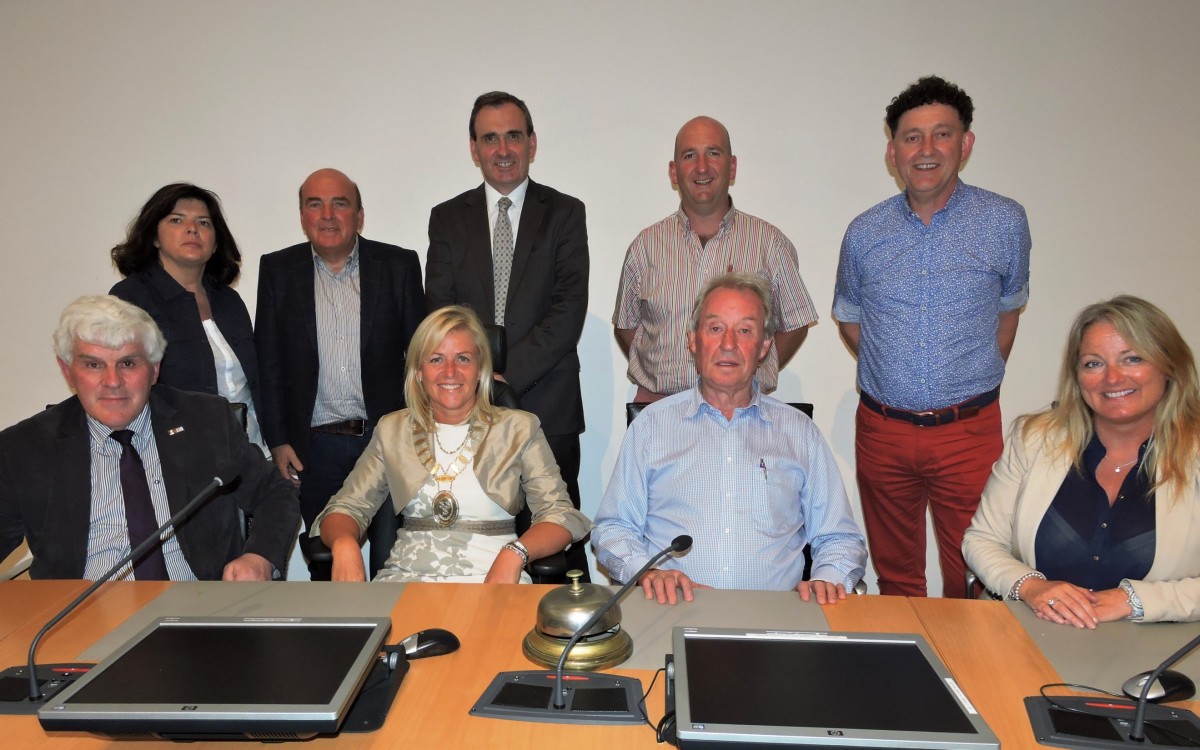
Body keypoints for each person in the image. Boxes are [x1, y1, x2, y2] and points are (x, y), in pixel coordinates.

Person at [833, 75, 1032, 598]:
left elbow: (1008, 312)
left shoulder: (1005, 222)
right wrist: (896, 373)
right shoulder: (863, 232)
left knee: (973, 575)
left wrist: (963, 377)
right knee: (896, 579)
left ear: (965, 144)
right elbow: (851, 320)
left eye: (941, 134)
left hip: (969, 431)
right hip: (883, 431)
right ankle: (906, 679)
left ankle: (970, 679)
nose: (925, 150)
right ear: (892, 151)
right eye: (911, 136)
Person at [593, 273, 866, 605]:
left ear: (764, 347)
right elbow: (613, 529)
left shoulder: (799, 433)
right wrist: (647, 573)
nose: (728, 344)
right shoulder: (651, 427)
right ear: (693, 340)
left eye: (745, 331)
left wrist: (827, 579)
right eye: (715, 328)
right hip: (670, 612)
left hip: (775, 622)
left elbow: (840, 537)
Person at [0, 296, 299, 581]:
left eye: (128, 363)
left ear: (154, 369)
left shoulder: (206, 421)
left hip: (196, 608)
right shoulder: (26, 447)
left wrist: (259, 556)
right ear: (68, 371)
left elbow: (275, 494)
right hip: (80, 616)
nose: (113, 382)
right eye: (94, 365)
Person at [425, 91, 591, 578]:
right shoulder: (447, 218)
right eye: (490, 138)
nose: (503, 149)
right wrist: (474, 381)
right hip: (465, 411)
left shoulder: (564, 212)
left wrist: (501, 376)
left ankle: (566, 642)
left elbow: (568, 311)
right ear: (473, 148)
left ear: (532, 143)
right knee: (476, 538)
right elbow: (441, 311)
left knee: (558, 547)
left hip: (548, 402)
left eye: (513, 136)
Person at [964, 296, 1200, 626]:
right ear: (1077, 377)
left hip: (1156, 649)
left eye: (1132, 359)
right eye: (1093, 363)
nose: (1113, 378)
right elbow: (982, 540)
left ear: (1169, 366)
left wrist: (1134, 600)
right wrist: (1030, 587)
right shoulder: (1034, 438)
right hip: (1031, 632)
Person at [312, 306, 590, 583]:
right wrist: (344, 545)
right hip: (405, 583)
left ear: (481, 369)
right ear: (419, 372)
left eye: (463, 359)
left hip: (494, 583)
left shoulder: (519, 428)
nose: (450, 372)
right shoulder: (392, 430)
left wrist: (515, 553)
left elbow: (562, 515)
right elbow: (345, 508)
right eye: (436, 359)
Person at [255, 168, 425, 579]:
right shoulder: (279, 270)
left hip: (387, 440)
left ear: (359, 215)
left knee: (394, 558)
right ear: (302, 215)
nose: (327, 214)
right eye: (315, 204)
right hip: (315, 447)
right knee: (326, 563)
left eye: (340, 203)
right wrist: (277, 440)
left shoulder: (397, 265)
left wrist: (421, 432)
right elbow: (269, 362)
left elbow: (421, 355)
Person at [614, 116, 817, 403]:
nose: (701, 167)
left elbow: (796, 322)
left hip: (741, 409)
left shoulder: (769, 243)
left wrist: (754, 371)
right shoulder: (645, 247)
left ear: (732, 167)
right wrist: (656, 372)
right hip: (659, 408)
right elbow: (626, 326)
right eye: (689, 155)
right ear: (674, 172)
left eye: (713, 153)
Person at [110, 183, 267, 455]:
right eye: (176, 220)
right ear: (155, 237)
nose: (192, 229)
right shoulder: (131, 299)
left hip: (251, 453)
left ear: (216, 242)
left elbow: (255, 386)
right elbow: (123, 391)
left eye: (203, 223)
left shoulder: (229, 301)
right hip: (178, 459)